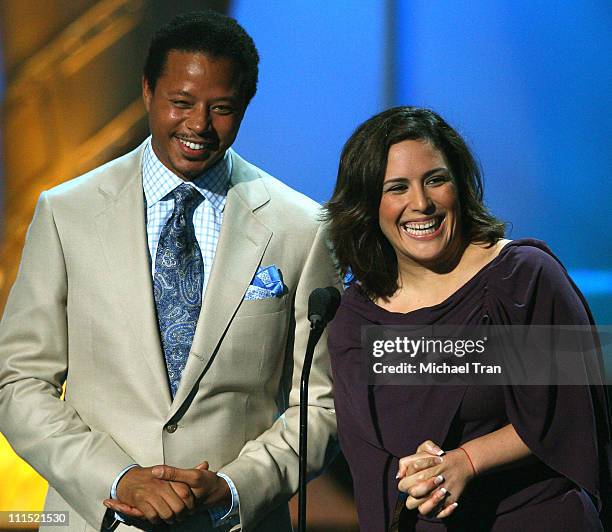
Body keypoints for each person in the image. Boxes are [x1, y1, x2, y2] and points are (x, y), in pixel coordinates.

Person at [0, 10, 339, 532]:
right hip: (97, 519)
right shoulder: (67, 212)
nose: (198, 126)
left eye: (221, 108)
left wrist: (234, 486)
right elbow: (19, 381)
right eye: (180, 102)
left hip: (232, 521)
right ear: (147, 91)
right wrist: (117, 478)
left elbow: (323, 403)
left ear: (245, 104)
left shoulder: (301, 227)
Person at [324, 106, 611, 531]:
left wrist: (466, 462)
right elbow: (370, 454)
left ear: (459, 185)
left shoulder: (524, 278)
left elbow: (569, 408)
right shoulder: (355, 316)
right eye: (396, 187)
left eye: (435, 180)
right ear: (368, 204)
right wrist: (425, 473)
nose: (420, 204)